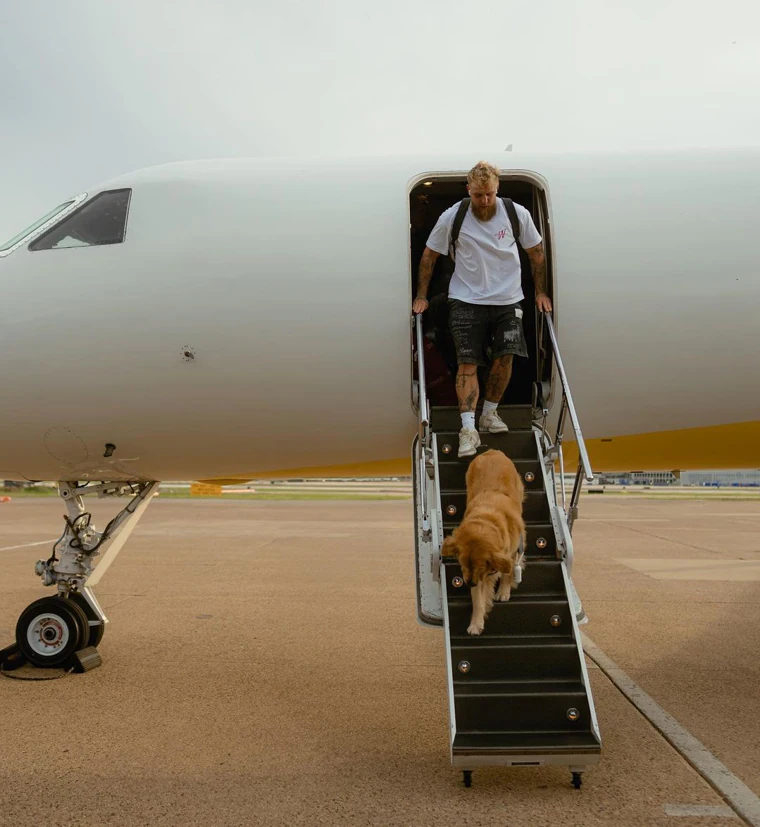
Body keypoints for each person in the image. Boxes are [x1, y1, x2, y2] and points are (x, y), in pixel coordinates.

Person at [412, 161, 552, 458]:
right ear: (469, 190)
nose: (484, 201)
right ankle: (468, 428)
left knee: (507, 355)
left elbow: (536, 254)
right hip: (466, 299)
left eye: (488, 194)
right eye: (478, 195)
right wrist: (421, 296)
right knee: (468, 363)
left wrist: (540, 291)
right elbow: (429, 256)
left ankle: (489, 413)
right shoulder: (455, 216)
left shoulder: (516, 214)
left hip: (508, 298)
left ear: (496, 189)